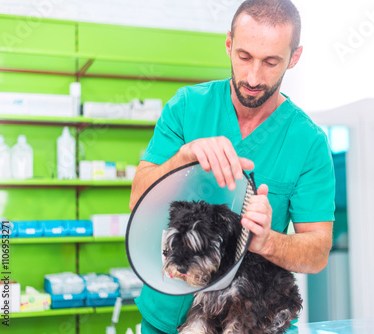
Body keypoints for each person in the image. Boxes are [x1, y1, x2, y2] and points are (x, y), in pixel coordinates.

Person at [129, 0, 336, 333]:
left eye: (271, 62)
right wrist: (184, 157)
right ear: (228, 44)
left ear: (293, 58)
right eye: (244, 57)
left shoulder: (308, 142)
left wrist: (268, 241)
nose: (254, 76)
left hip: (251, 319)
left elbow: (318, 252)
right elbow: (137, 200)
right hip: (165, 316)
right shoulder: (186, 108)